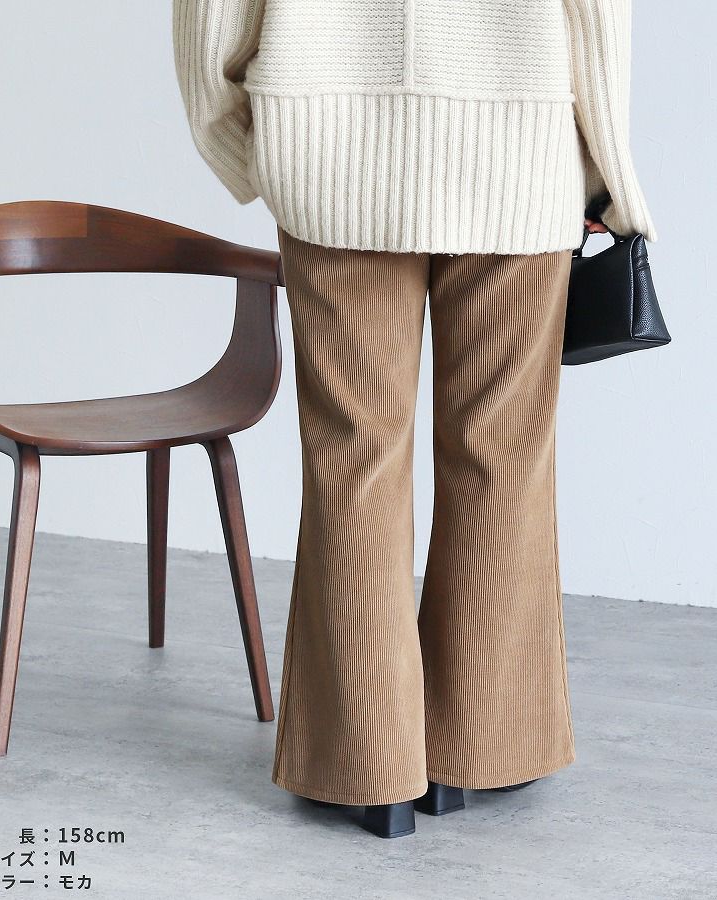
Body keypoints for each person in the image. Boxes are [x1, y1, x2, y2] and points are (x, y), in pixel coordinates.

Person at [173, 0, 657, 839]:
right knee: (499, 456)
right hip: (522, 152)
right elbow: (597, 18)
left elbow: (211, 23)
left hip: (331, 154)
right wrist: (612, 182)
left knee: (352, 454)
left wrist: (259, 150)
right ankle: (480, 747)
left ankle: (365, 765)